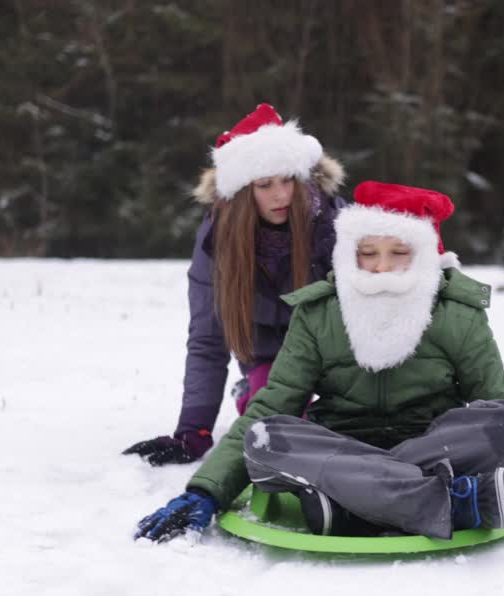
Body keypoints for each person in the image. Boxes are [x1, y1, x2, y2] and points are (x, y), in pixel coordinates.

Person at [132, 182, 504, 547]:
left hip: (436, 445)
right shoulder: (320, 311)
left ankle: (349, 505)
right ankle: (452, 503)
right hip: (342, 443)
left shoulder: (456, 312)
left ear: (426, 256)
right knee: (265, 438)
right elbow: (269, 409)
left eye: (398, 253)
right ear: (350, 253)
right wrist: (204, 493)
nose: (382, 267)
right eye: (368, 253)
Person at [122, 103, 345, 466]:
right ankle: (252, 392)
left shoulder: (333, 223)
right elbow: (208, 340)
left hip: (334, 354)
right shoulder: (218, 241)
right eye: (264, 185)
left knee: (344, 427)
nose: (281, 195)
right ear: (243, 190)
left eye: (288, 179)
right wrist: (194, 431)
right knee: (282, 427)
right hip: (269, 358)